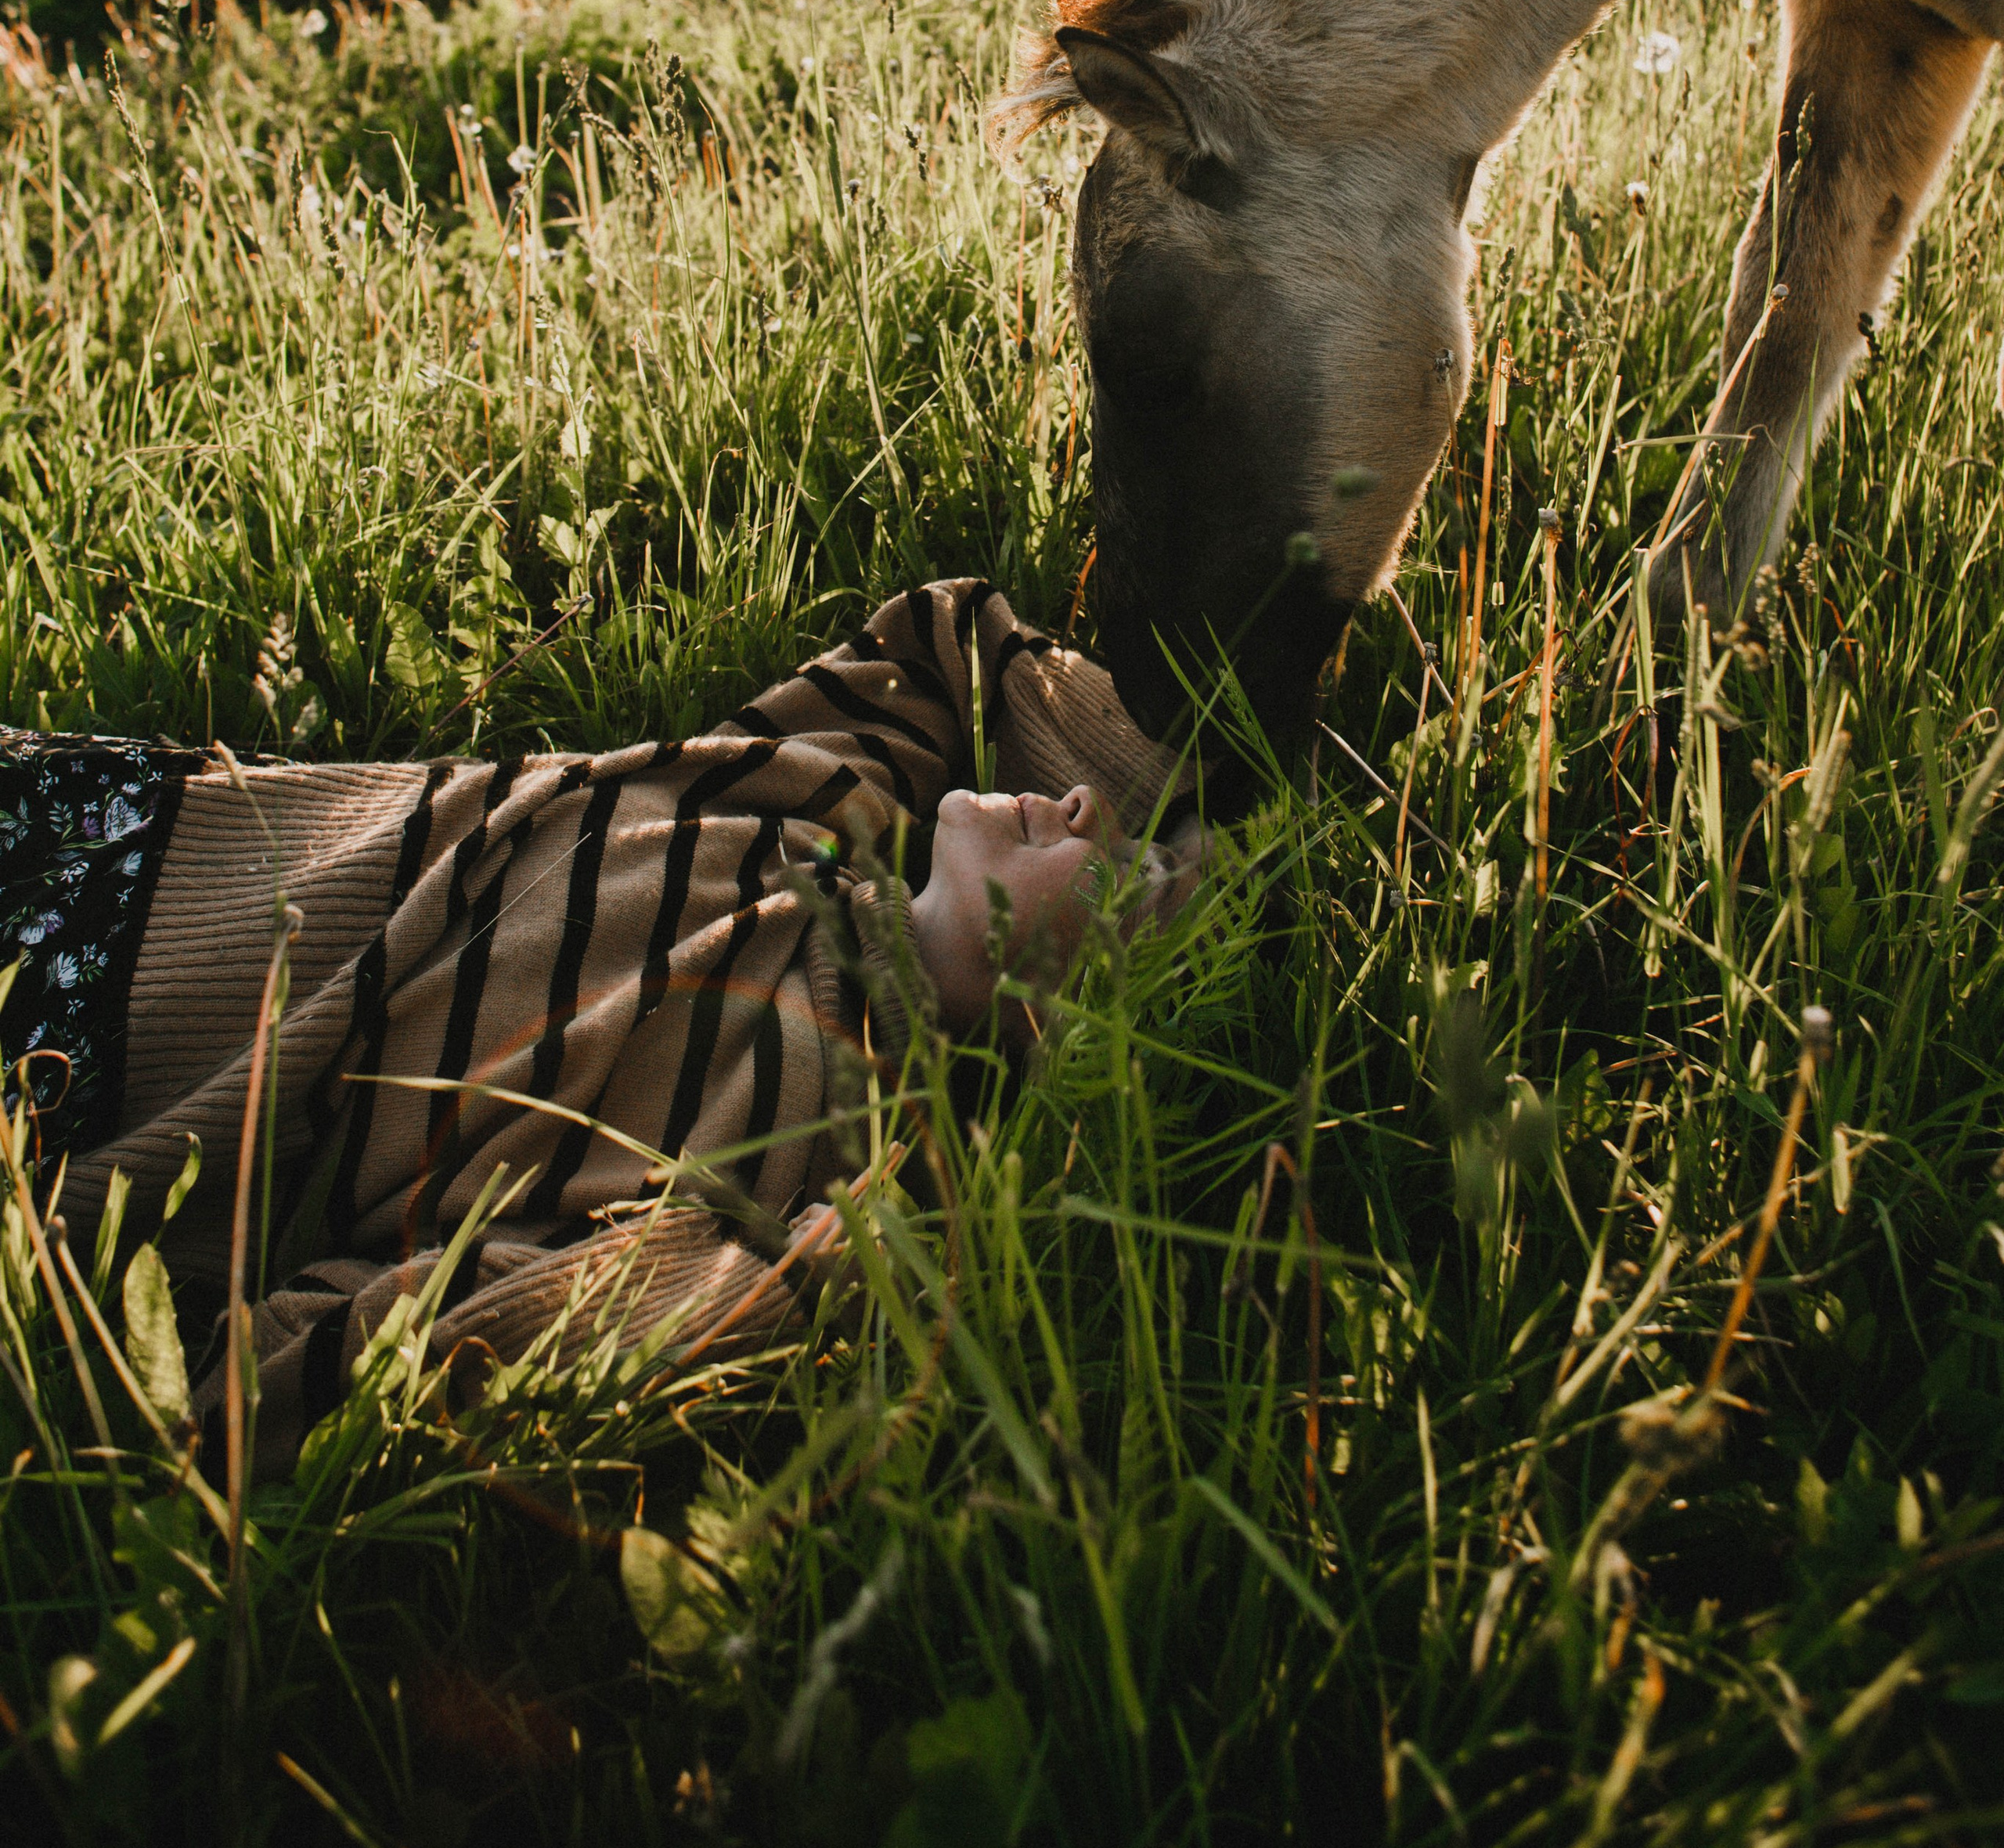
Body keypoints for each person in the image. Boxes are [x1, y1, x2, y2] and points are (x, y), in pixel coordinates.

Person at [0, 581, 1202, 1471]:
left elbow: (398, 1348)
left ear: (1066, 1022)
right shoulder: (827, 800)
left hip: (85, 1037)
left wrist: (864, 1244)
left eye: (1126, 868)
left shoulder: (771, 1145)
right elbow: (955, 639)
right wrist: (1205, 803)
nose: (1092, 805)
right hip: (127, 817)